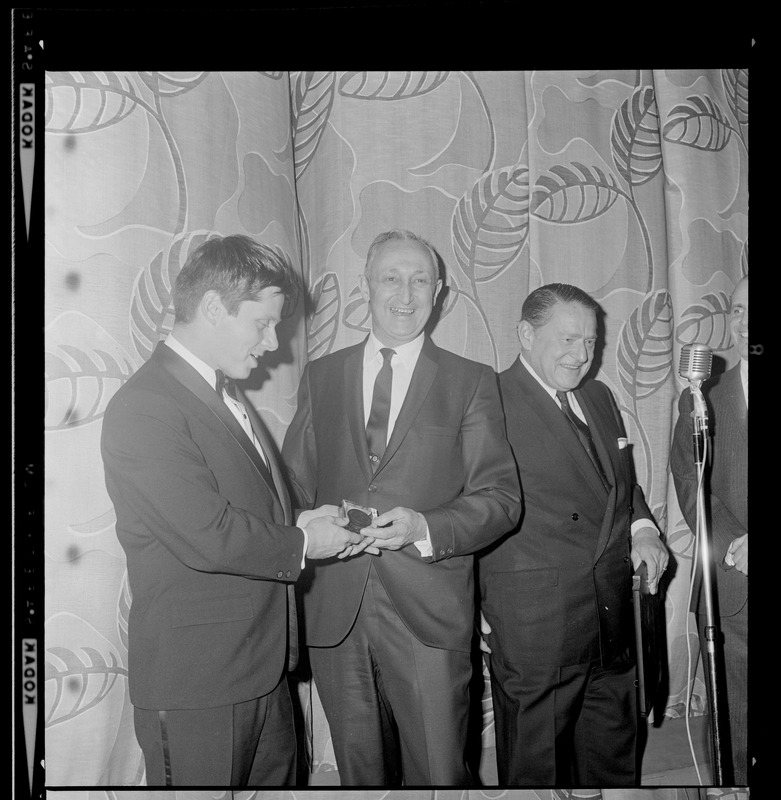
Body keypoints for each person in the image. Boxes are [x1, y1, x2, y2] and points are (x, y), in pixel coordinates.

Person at [101, 234, 368, 786]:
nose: (273, 344)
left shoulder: (222, 393)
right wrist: (302, 545)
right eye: (262, 323)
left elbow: (232, 505)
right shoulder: (145, 406)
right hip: (198, 685)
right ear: (214, 308)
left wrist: (298, 521)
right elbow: (203, 531)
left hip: (261, 672)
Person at [280, 229, 521, 786]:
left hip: (428, 607)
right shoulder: (322, 376)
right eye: (391, 278)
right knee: (361, 777)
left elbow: (502, 499)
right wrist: (304, 524)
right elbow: (293, 483)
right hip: (337, 608)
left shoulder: (470, 381)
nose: (405, 294)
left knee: (440, 773)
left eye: (419, 280)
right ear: (367, 286)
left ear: (439, 292)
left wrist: (425, 527)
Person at [478, 282, 669, 786]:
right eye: (566, 340)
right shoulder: (487, 400)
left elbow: (620, 485)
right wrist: (471, 604)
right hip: (536, 625)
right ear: (525, 334)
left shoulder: (599, 395)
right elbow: (469, 511)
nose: (581, 355)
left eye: (589, 342)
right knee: (534, 771)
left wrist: (644, 529)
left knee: (613, 761)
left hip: (610, 616)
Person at [670, 275, 748, 785]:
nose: (746, 323)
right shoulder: (703, 397)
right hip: (734, 588)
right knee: (736, 731)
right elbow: (689, 483)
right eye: (739, 310)